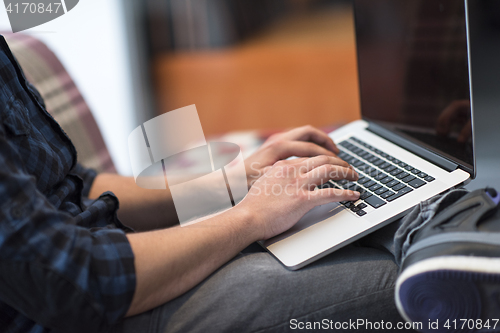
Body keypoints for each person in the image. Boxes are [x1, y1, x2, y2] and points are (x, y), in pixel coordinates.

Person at [2, 33, 498, 333]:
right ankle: (449, 221)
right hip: (106, 312)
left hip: (124, 256)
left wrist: (235, 183)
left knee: (353, 192)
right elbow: (77, 282)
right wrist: (249, 217)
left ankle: (439, 214)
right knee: (441, 281)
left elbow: (80, 185)